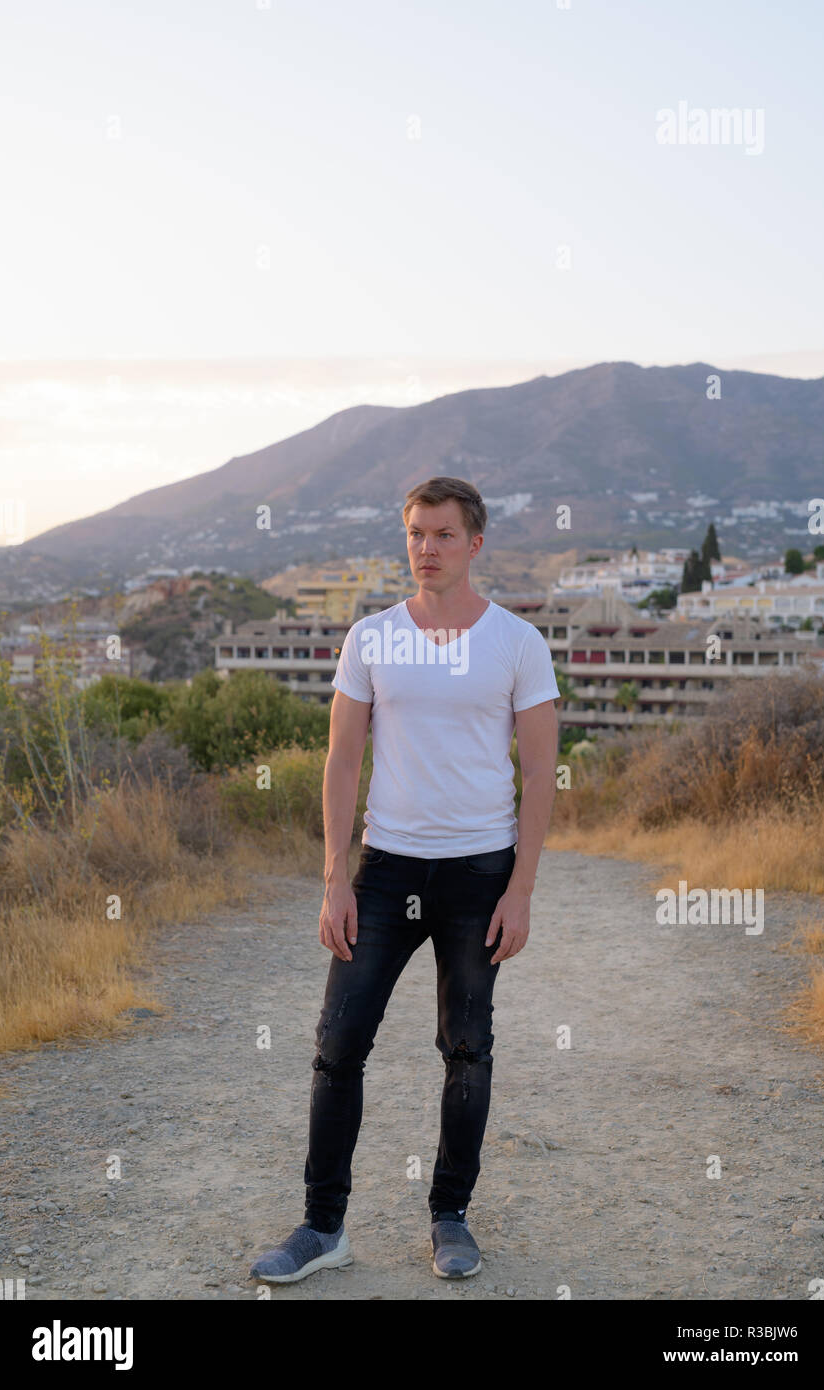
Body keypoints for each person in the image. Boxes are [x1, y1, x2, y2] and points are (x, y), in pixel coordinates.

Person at [250, 476, 559, 1284]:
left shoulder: (518, 643)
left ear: (476, 544)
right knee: (338, 1044)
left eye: (443, 535)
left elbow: (540, 773)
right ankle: (323, 1227)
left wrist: (521, 888)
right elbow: (343, 760)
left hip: (480, 873)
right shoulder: (372, 637)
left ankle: (450, 1218)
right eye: (416, 534)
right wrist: (333, 879)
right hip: (384, 872)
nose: (426, 548)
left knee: (467, 1049)